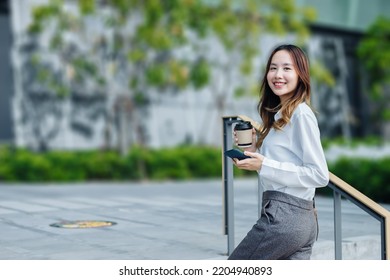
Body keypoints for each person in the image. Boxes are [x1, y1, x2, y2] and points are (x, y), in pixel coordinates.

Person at [228, 44, 329, 260]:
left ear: (301, 75)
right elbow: (277, 175)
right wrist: (253, 151)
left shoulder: (301, 114)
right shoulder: (279, 118)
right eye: (273, 68)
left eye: (287, 68)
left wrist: (264, 164)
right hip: (299, 219)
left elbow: (319, 175)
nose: (278, 75)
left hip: (285, 218)